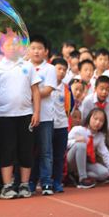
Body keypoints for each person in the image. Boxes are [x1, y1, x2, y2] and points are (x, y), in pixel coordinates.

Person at [0, 35, 41, 200]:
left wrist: (36, 113)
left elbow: (35, 90)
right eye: (8, 45)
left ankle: (24, 184)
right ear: (2, 48)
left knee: (26, 150)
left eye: (15, 45)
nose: (12, 48)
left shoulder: (27, 66)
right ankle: (7, 186)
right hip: (5, 115)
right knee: (7, 149)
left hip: (26, 115)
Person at [27, 34, 57, 196]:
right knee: (28, 151)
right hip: (26, 115)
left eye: (39, 48)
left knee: (45, 151)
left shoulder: (50, 68)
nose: (36, 52)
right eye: (33, 48)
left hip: (45, 116)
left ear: (46, 51)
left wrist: (29, 94)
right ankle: (30, 182)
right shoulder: (24, 66)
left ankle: (46, 182)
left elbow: (48, 90)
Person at [66, 108, 109, 188]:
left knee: (104, 173)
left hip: (84, 162)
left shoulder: (99, 136)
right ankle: (82, 179)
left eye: (101, 120)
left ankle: (76, 174)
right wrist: (75, 141)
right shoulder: (78, 130)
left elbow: (106, 155)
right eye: (95, 119)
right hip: (70, 162)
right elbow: (63, 145)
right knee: (81, 144)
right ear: (89, 118)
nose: (97, 122)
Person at [50, 58, 69, 193]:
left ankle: (57, 181)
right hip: (47, 124)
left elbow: (70, 106)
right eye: (59, 68)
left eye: (64, 69)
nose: (61, 72)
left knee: (59, 156)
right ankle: (37, 180)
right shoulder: (45, 85)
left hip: (62, 125)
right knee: (43, 155)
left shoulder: (67, 89)